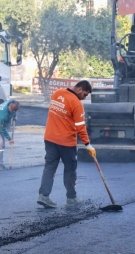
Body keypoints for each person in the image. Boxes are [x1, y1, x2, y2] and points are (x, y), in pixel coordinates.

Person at [37, 80, 96, 209]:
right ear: (80, 89)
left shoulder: (57, 94)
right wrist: (87, 144)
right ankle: (71, 198)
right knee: (70, 169)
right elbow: (80, 127)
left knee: (50, 167)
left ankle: (43, 196)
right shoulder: (77, 104)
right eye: (85, 94)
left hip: (50, 137)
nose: (84, 98)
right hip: (66, 142)